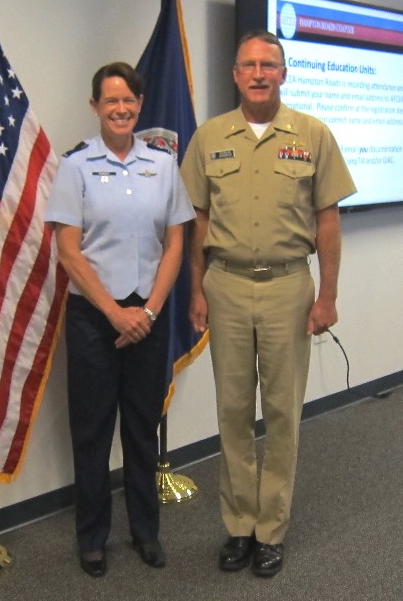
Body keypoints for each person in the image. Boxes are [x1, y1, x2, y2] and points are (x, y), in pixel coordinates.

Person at [181, 30, 356, 577]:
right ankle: (238, 526)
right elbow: (198, 222)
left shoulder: (313, 134)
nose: (259, 73)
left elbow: (327, 221)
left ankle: (271, 529)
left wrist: (327, 295)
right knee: (232, 411)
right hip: (225, 285)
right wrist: (196, 291)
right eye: (249, 65)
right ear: (235, 75)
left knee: (283, 412)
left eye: (269, 65)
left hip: (288, 287)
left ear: (284, 73)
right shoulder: (209, 138)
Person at [45, 61, 194, 578]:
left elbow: (176, 241)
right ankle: (92, 538)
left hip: (148, 316)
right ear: (95, 107)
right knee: (91, 431)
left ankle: (145, 532)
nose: (121, 109)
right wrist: (115, 314)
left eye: (129, 100)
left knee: (141, 429)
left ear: (139, 104)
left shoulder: (163, 164)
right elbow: (68, 250)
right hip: (94, 317)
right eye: (111, 101)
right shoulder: (75, 166)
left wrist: (149, 310)